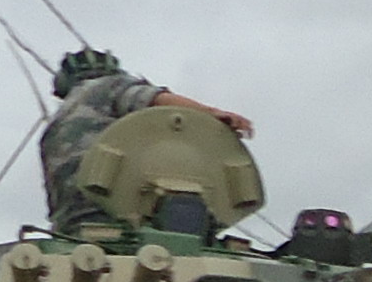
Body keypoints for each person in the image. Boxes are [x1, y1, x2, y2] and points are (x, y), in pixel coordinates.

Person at [39, 46, 250, 232]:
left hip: (71, 225)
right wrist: (212, 113)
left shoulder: (53, 127)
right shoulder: (110, 86)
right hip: (116, 214)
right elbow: (155, 100)